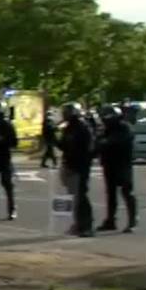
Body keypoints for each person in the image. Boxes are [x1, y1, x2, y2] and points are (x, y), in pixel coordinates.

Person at [95, 105, 137, 233]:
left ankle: (132, 221)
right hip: (109, 163)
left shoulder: (124, 127)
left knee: (127, 192)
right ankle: (110, 220)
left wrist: (105, 142)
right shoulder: (106, 129)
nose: (105, 119)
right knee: (111, 193)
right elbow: (99, 143)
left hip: (122, 164)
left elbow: (116, 142)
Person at [58, 102, 94, 237]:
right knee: (74, 197)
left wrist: (79, 162)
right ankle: (78, 223)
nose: (65, 115)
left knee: (81, 196)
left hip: (80, 166)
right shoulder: (68, 128)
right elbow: (64, 146)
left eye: (67, 112)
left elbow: (88, 149)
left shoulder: (83, 127)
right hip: (70, 164)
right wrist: (53, 138)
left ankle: (87, 226)